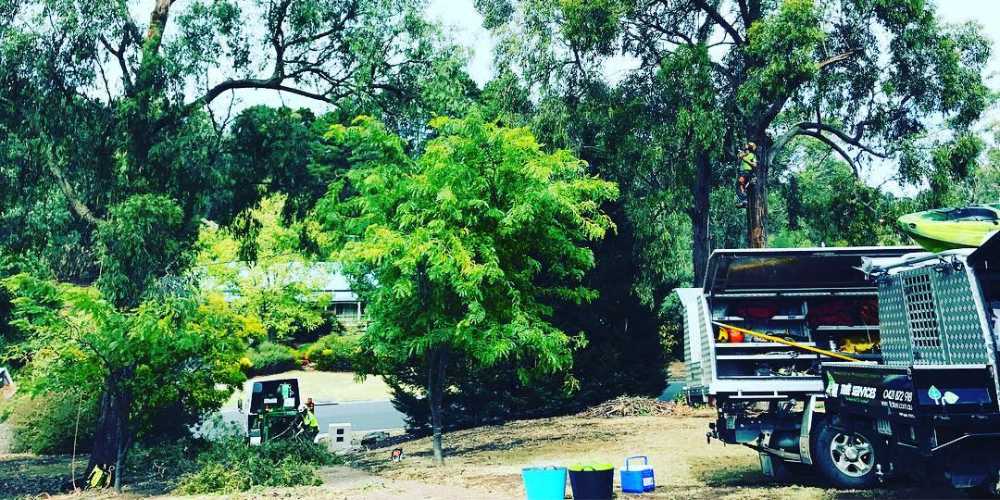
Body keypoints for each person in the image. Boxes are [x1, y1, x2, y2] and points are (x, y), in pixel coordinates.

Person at [736, 142, 757, 208]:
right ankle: (745, 201)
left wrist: (746, 160)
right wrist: (744, 155)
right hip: (742, 172)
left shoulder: (752, 155)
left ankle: (744, 200)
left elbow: (755, 164)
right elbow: (739, 156)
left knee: (739, 184)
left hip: (746, 172)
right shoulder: (741, 154)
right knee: (742, 186)